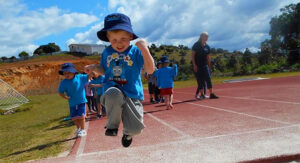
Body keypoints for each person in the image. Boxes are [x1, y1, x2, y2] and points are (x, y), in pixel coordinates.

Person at [85, 13, 154, 147]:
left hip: (132, 94)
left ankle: (128, 134)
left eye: (123, 38)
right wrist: (94, 68)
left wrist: (144, 49)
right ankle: (112, 126)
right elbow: (105, 69)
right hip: (112, 90)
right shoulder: (106, 53)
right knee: (113, 93)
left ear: (130, 36)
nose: (118, 43)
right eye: (114, 40)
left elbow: (150, 70)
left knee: (136, 129)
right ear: (108, 38)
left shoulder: (135, 51)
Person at [58, 63, 90, 137]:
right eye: (65, 73)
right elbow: (60, 92)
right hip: (72, 102)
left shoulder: (80, 77)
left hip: (81, 101)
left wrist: (90, 71)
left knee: (81, 116)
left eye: (69, 72)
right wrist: (65, 97)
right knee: (74, 117)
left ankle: (83, 130)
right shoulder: (63, 82)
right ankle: (78, 129)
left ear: (73, 72)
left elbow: (89, 76)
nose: (67, 74)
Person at [192, 32, 218, 100]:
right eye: (205, 36)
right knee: (200, 80)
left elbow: (208, 57)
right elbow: (192, 56)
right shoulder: (196, 45)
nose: (206, 38)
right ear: (201, 37)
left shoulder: (207, 47)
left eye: (207, 37)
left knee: (208, 79)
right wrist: (194, 65)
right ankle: (202, 94)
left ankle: (211, 93)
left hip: (205, 65)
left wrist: (209, 67)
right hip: (198, 65)